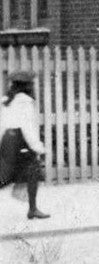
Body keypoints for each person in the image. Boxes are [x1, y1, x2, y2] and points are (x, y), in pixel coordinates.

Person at [0, 71, 49, 219]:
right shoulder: (26, 102)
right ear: (27, 86)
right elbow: (28, 128)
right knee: (31, 171)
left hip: (7, 140)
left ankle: (33, 209)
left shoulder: (6, 100)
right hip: (20, 141)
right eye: (31, 84)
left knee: (8, 174)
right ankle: (32, 209)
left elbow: (2, 124)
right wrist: (38, 147)